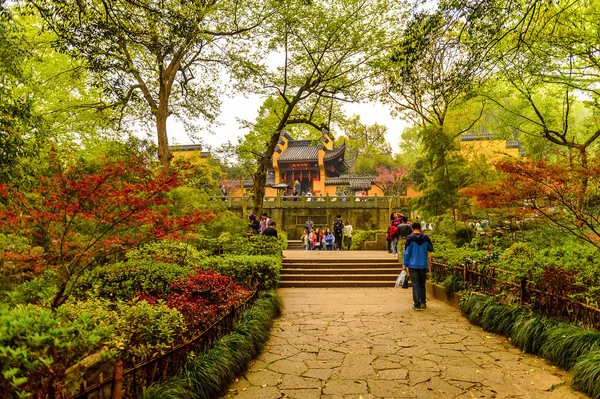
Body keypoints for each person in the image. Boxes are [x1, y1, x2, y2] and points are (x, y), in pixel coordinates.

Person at [403, 222, 434, 310]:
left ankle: (416, 304)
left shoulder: (409, 238)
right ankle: (423, 302)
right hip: (423, 265)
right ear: (420, 228)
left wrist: (405, 264)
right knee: (422, 284)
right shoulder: (426, 238)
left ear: (412, 228)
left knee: (415, 284)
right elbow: (430, 249)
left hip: (413, 265)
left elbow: (407, 252)